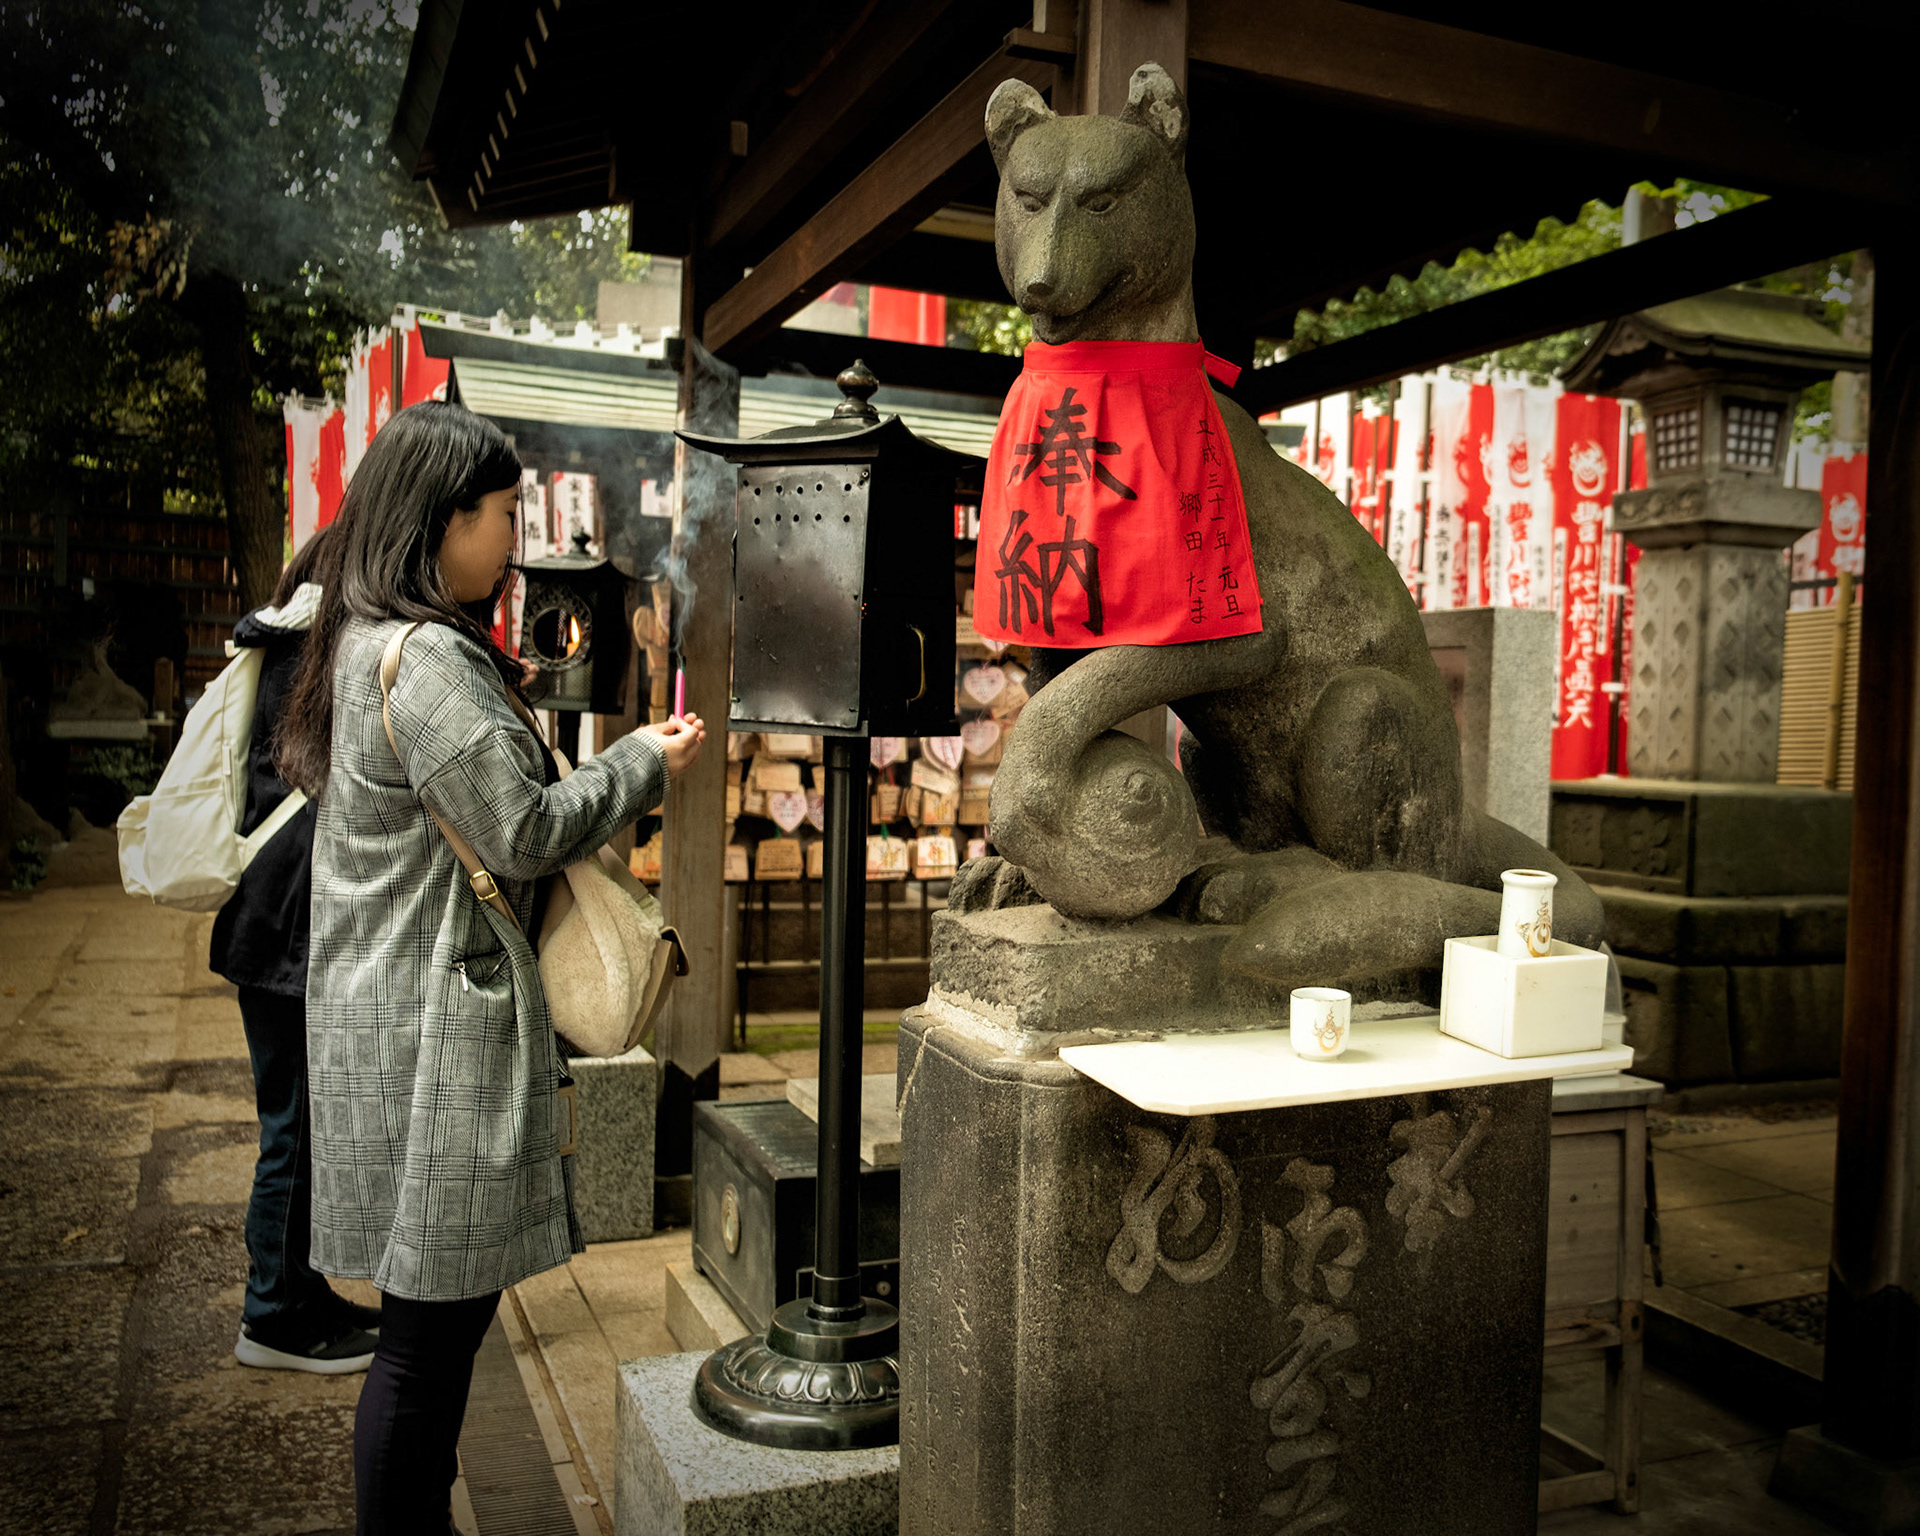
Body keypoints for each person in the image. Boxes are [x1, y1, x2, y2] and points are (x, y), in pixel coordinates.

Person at [275, 401, 705, 1535]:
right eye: (506, 513)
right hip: (432, 1026)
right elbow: (521, 829)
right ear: (443, 520)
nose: (517, 540)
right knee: (426, 1344)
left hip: (390, 1006)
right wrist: (639, 761)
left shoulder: (368, 637)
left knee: (431, 1331)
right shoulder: (423, 660)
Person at [211, 523, 384, 1373]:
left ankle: (298, 1293)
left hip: (271, 918)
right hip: (289, 923)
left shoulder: (282, 638)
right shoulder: (316, 653)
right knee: (294, 1130)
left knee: (299, 1125)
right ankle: (274, 1314)